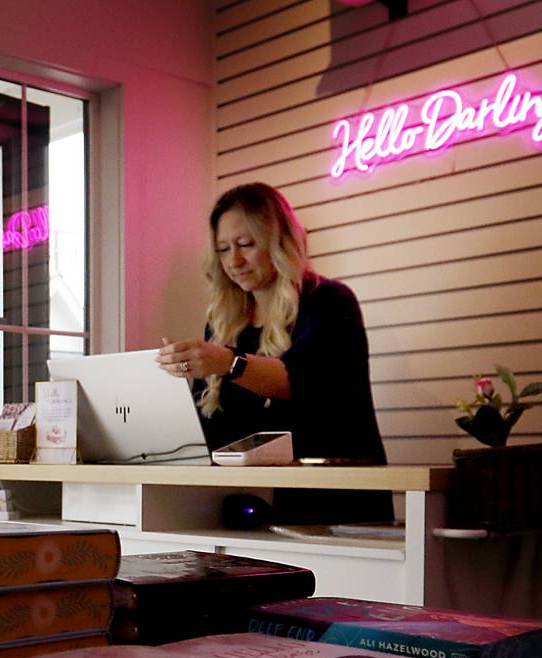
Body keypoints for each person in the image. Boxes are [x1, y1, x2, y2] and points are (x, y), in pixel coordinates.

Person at [156, 182, 393, 524]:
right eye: (223, 249)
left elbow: (301, 381)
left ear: (278, 241)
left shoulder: (329, 302)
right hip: (249, 510)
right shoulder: (225, 323)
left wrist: (227, 362)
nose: (233, 261)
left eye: (246, 245)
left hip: (333, 507)